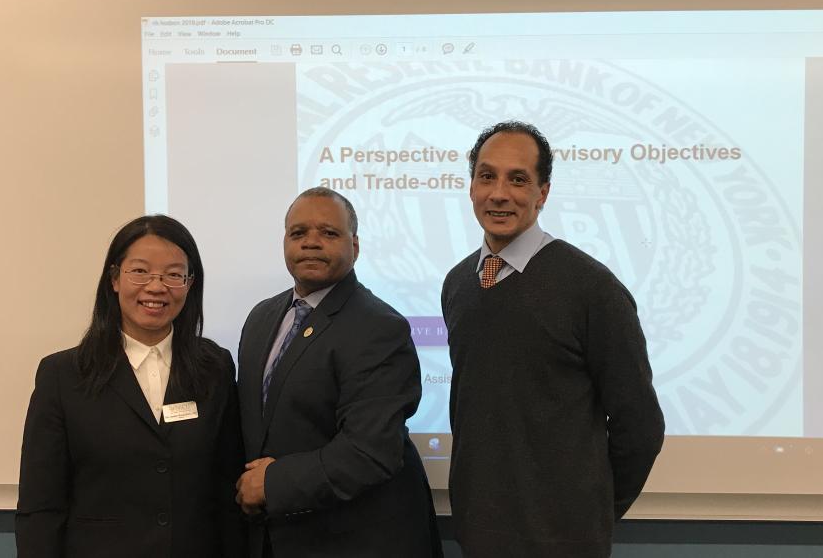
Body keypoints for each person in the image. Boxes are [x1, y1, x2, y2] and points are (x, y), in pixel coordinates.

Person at [442, 121, 665, 558]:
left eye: (517, 179)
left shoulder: (593, 289)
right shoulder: (458, 283)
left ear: (542, 192)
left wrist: (588, 514)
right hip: (480, 534)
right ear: (471, 187)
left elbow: (640, 426)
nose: (499, 193)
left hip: (565, 542)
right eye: (487, 176)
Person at [16, 215, 244, 558]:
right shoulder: (63, 375)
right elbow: (40, 506)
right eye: (140, 271)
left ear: (190, 283)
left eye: (173, 274)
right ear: (114, 279)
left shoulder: (216, 367)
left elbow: (227, 490)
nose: (156, 287)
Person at [235, 187, 442, 558]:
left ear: (355, 246)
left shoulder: (379, 327)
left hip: (352, 539)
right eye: (298, 233)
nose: (311, 242)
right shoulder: (261, 317)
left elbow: (370, 452)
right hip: (275, 538)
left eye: (329, 233)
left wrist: (272, 483)